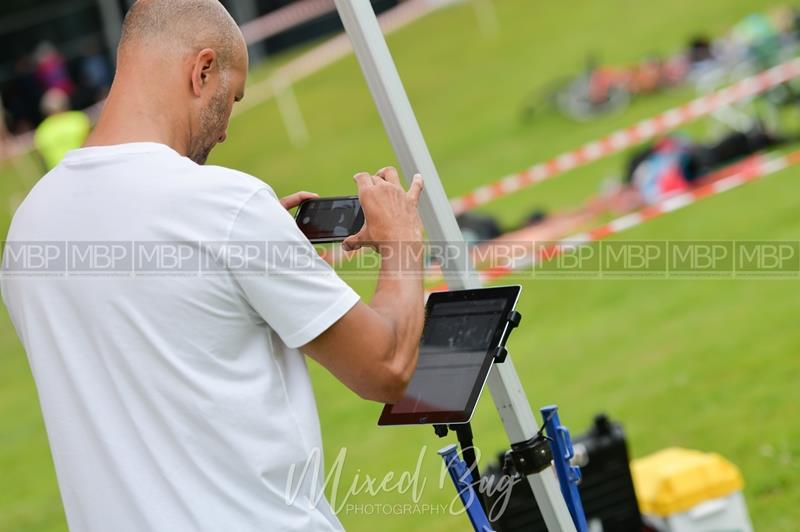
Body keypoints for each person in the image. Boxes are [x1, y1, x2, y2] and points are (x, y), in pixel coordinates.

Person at [1, 1, 425, 531]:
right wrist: (404, 241)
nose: (225, 130)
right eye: (232, 98)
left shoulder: (29, 227)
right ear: (202, 71)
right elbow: (385, 368)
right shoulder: (226, 204)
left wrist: (253, 267)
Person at [33, 88, 92, 170]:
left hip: (58, 171)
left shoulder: (42, 130)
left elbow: (41, 156)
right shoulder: (78, 119)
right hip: (84, 165)